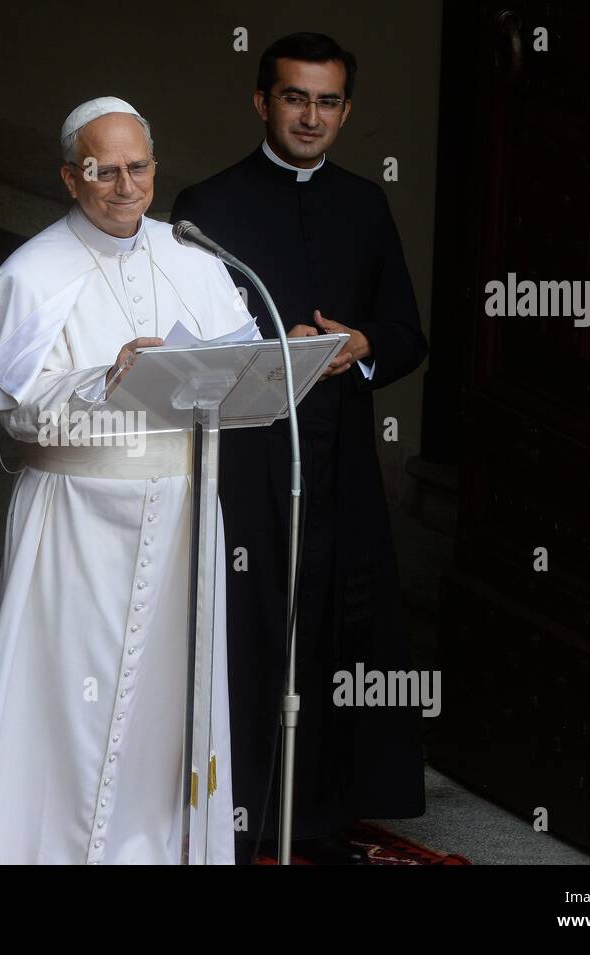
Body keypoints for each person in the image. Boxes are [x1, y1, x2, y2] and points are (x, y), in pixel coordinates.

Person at [0, 97, 256, 864]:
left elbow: (243, 371)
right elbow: (17, 414)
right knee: (61, 708)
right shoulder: (33, 273)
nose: (126, 186)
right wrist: (105, 376)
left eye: (139, 166)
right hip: (76, 523)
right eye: (104, 170)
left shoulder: (197, 258)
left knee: (167, 710)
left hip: (184, 515)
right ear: (70, 176)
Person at [172, 32, 428, 864]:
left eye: (327, 102)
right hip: (246, 462)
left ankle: (319, 817)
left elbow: (406, 334)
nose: (311, 116)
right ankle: (232, 812)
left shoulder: (365, 202)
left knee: (331, 631)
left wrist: (360, 344)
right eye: (294, 97)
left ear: (345, 111)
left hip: (341, 460)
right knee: (244, 626)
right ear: (262, 102)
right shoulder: (206, 209)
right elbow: (181, 347)